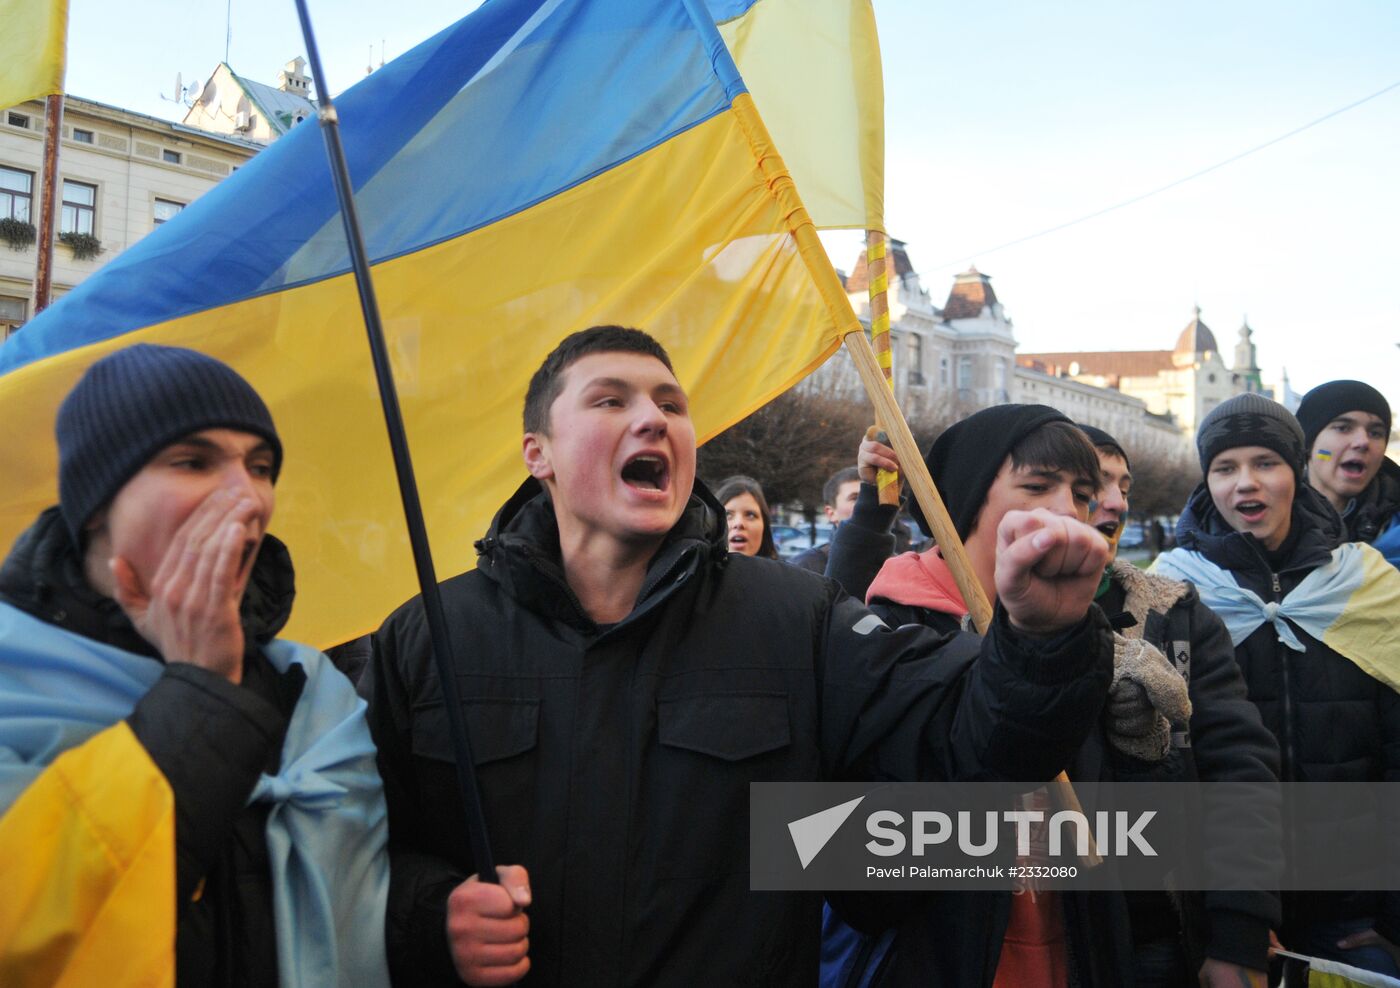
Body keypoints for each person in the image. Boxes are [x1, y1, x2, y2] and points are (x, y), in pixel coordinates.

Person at [362, 326, 1116, 987]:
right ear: (539, 453)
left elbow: (966, 747)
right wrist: (433, 917)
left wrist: (1040, 639)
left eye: (671, 404)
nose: (651, 419)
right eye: (610, 401)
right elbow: (347, 859)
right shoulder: (428, 636)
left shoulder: (799, 617)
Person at [821, 407, 1280, 988]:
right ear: (965, 501)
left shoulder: (1091, 636)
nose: (1070, 511)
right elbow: (855, 879)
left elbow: (1135, 851)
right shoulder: (884, 634)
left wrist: (1143, 754)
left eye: (1082, 493)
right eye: (1037, 487)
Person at [0, 344, 388, 986]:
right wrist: (202, 691)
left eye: (261, 467)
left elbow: (358, 905)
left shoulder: (313, 690)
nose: (249, 496)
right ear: (98, 503)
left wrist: (431, 920)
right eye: (193, 461)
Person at [1155, 392, 1400, 979]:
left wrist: (1393, 919)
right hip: (1219, 909)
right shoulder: (1170, 595)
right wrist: (1225, 916)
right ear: (1206, 480)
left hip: (1350, 909)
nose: (1246, 483)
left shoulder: (1367, 583)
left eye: (1265, 463)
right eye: (1225, 467)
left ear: (1296, 471)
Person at [1296, 380, 1400, 568]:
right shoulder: (1268, 523)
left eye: (1376, 433)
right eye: (1343, 428)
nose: (1363, 442)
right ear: (1309, 443)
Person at [792, 466, 861, 573]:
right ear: (831, 513)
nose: (866, 504)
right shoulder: (806, 566)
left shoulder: (892, 563)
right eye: (855, 498)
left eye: (870, 497)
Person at [715, 474, 778, 558]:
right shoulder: (694, 570)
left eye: (750, 515)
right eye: (727, 514)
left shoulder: (784, 571)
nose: (739, 523)